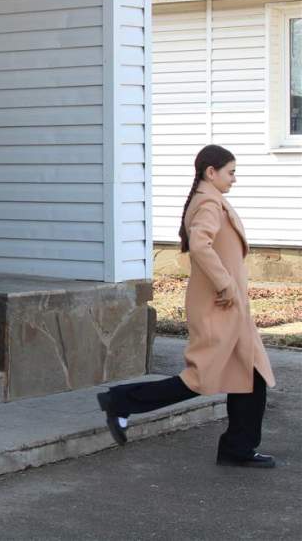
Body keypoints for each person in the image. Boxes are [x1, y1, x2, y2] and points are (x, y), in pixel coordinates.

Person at [97, 145, 277, 467]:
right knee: (199, 379)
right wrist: (225, 283)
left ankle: (238, 448)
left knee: (251, 375)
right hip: (219, 308)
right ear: (211, 172)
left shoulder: (211, 199)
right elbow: (199, 244)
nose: (234, 179)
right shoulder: (209, 202)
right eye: (231, 172)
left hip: (230, 309)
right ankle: (121, 400)